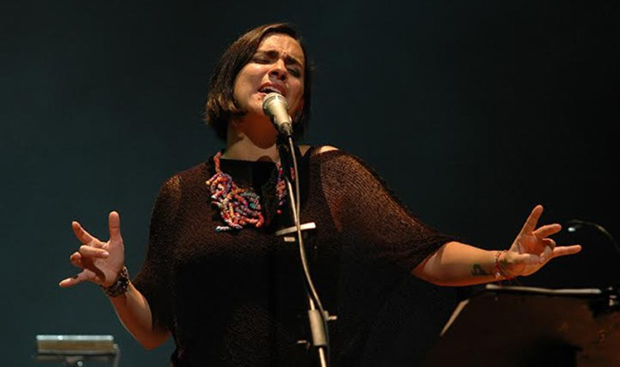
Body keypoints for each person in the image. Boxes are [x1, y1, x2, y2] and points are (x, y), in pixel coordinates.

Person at [59, 23, 582, 366]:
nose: (280, 69)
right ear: (229, 81)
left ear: (301, 96)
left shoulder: (331, 173)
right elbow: (154, 330)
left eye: (294, 68)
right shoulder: (182, 193)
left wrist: (504, 262)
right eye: (265, 58)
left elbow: (423, 253)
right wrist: (116, 282)